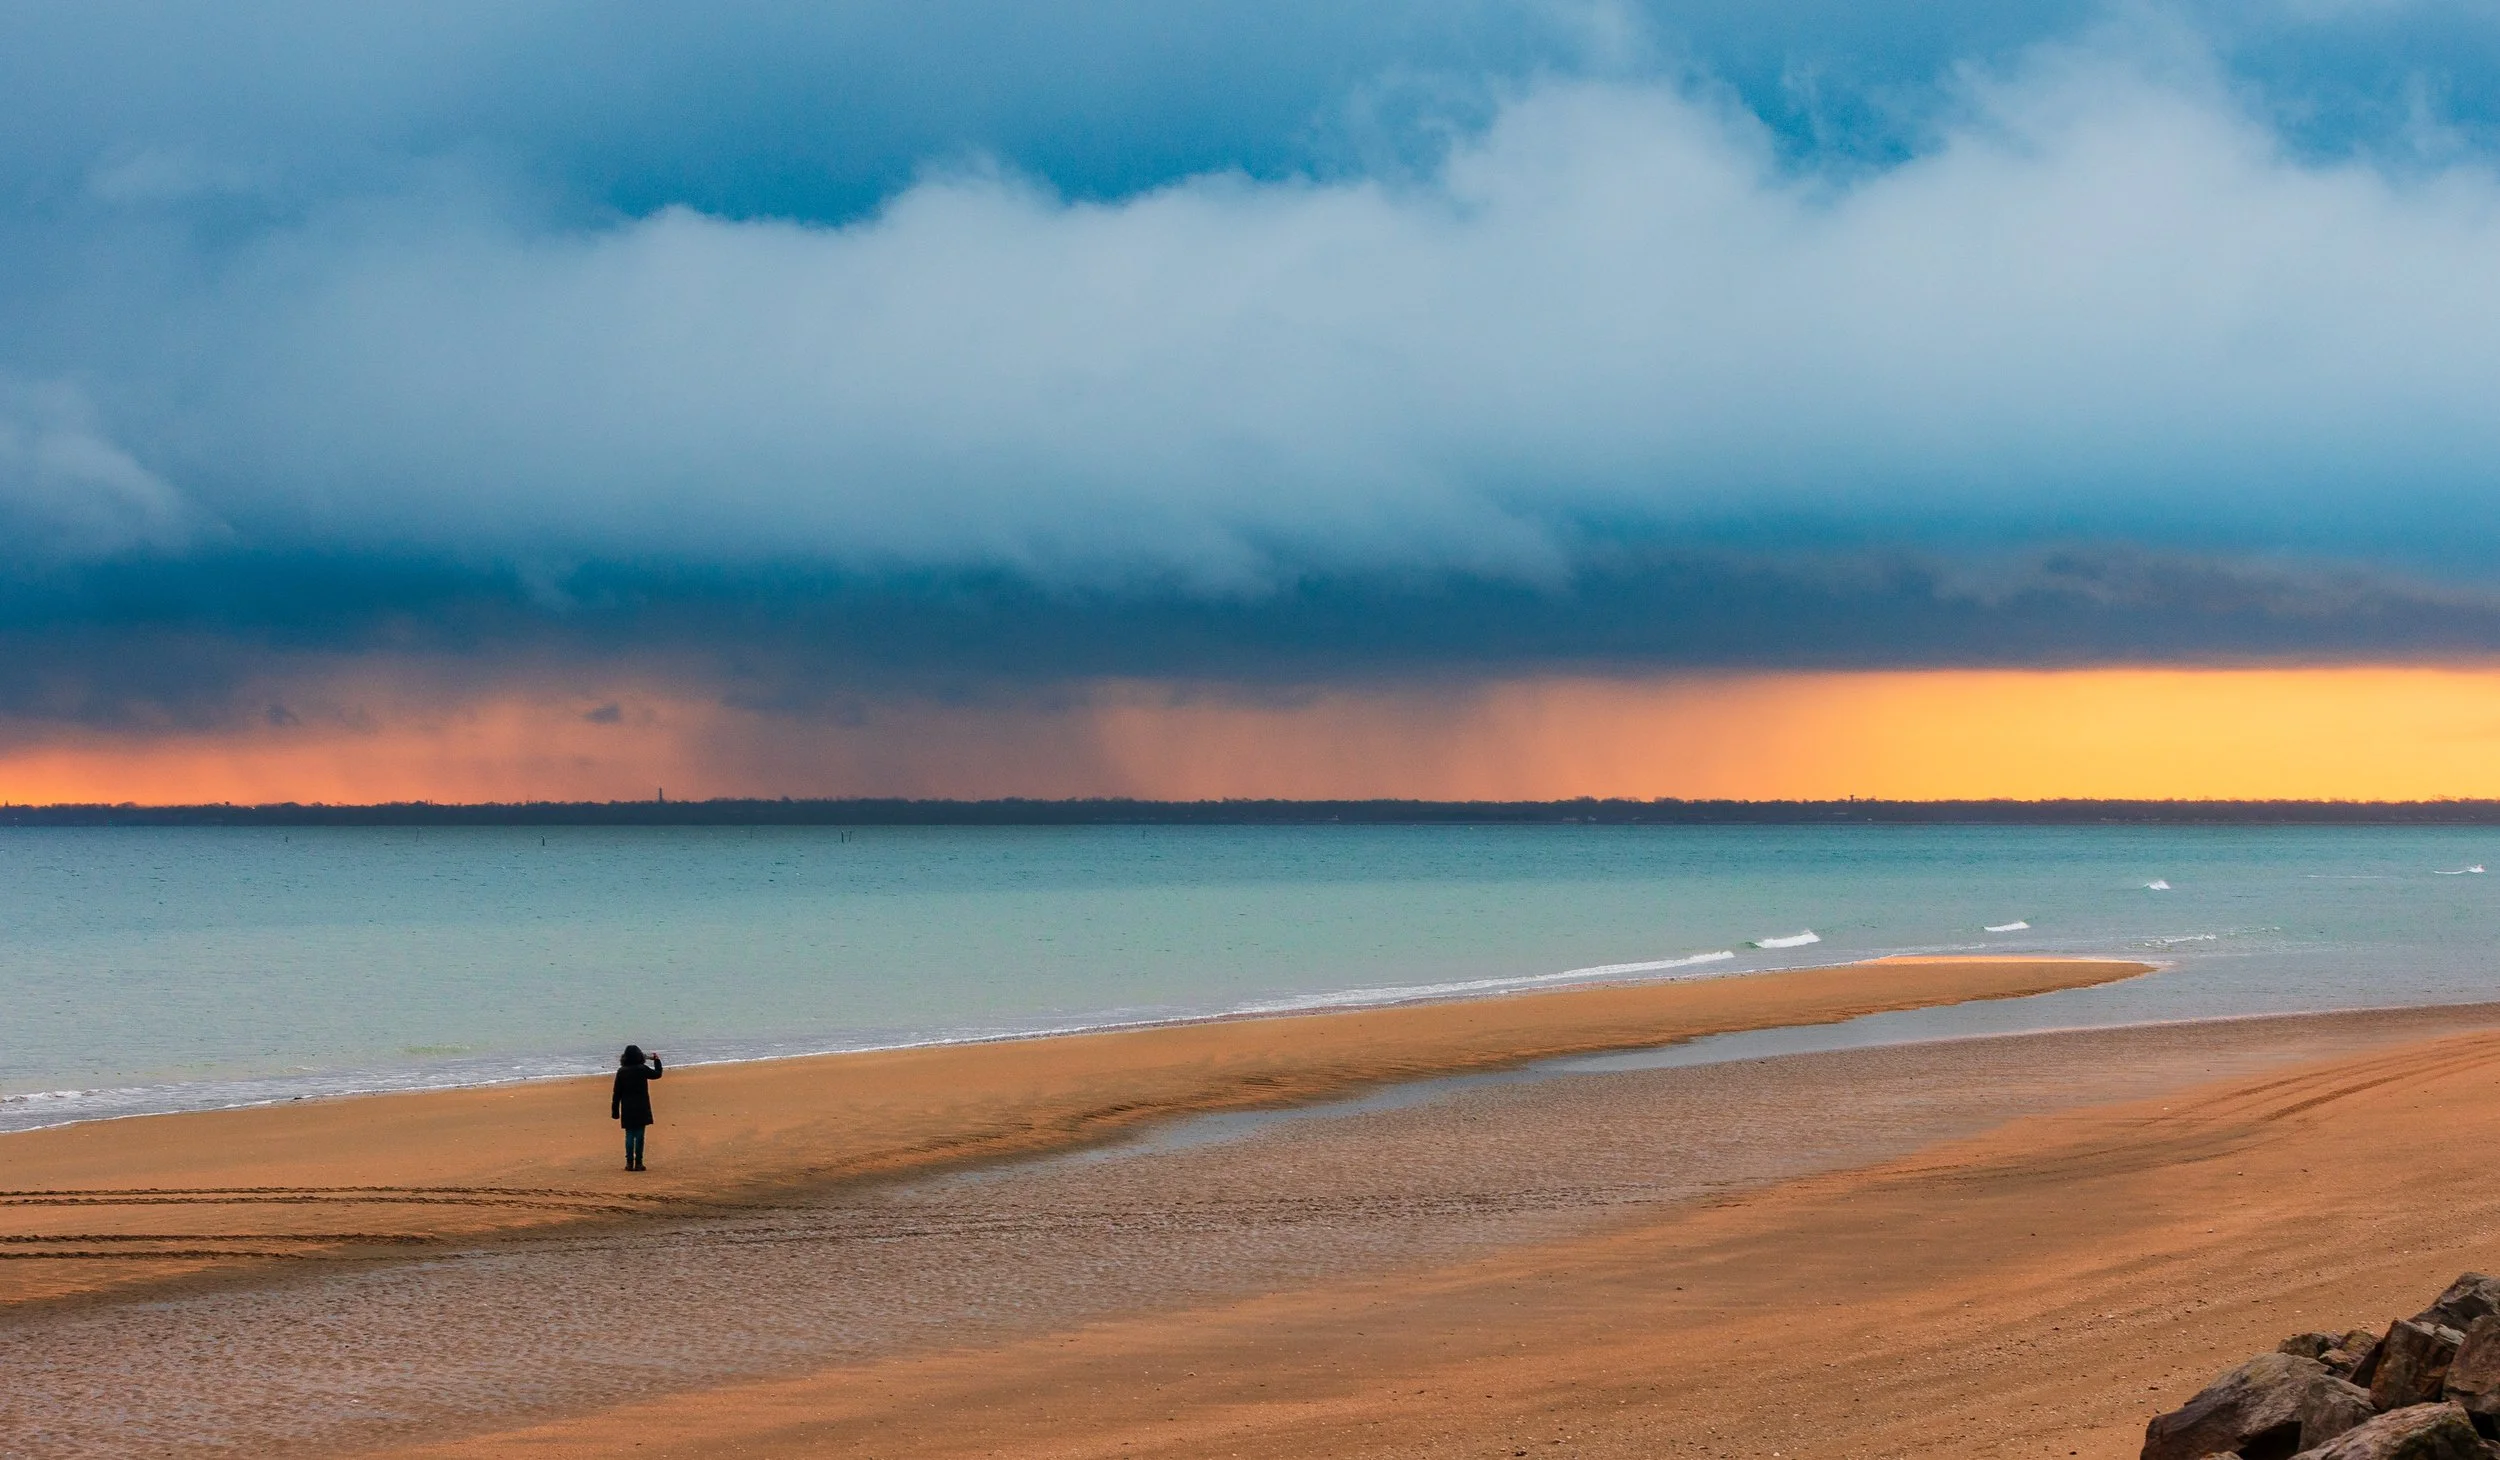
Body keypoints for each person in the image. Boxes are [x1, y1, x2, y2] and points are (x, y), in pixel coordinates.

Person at [611, 1045, 663, 1171]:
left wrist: (615, 1110)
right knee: (640, 1135)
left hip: (627, 1107)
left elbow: (617, 1093)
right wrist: (657, 1060)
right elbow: (657, 1074)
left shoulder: (621, 1071)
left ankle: (629, 1163)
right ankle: (639, 1162)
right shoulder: (642, 1069)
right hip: (641, 1106)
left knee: (629, 1135)